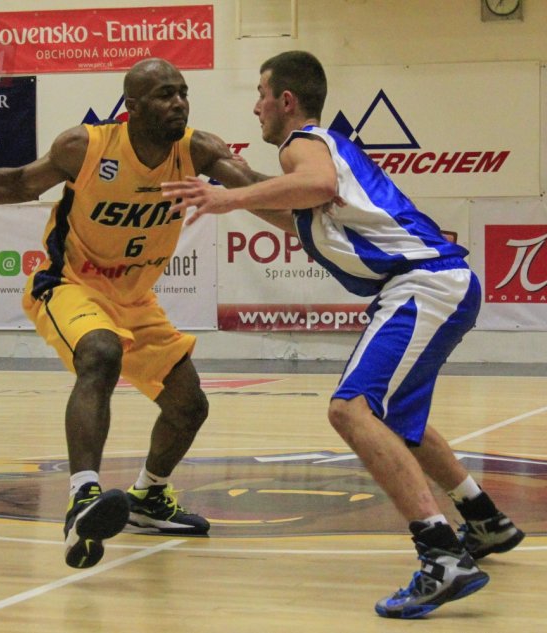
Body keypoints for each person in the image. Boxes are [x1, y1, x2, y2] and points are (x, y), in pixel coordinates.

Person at [162, 51, 525, 619]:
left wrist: (229, 196)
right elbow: (299, 214)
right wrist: (232, 190)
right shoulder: (319, 155)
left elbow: (315, 183)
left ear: (286, 100)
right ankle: (483, 519)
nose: (255, 106)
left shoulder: (302, 143)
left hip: (423, 283)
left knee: (349, 410)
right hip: (440, 283)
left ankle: (441, 556)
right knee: (392, 421)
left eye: (261, 93)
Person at [0, 58, 262, 570]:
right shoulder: (86, 147)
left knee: (189, 406)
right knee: (100, 353)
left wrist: (321, 197)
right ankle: (82, 497)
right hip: (70, 284)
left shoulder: (198, 150)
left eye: (183, 92)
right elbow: (18, 183)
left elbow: (252, 187)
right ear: (132, 107)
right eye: (165, 94)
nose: (179, 103)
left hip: (134, 298)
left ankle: (148, 497)